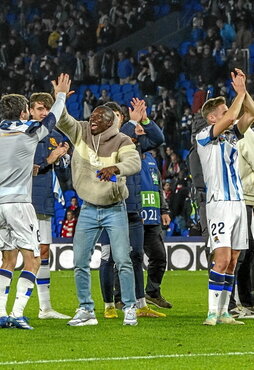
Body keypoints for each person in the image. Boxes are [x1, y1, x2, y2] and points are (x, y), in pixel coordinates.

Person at [56, 104, 141, 326]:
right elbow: (61, 118)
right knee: (80, 262)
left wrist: (115, 168)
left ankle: (130, 307)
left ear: (110, 121)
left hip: (114, 207)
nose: (92, 119)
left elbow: (134, 162)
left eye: (99, 117)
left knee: (123, 260)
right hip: (87, 208)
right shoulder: (81, 131)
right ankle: (86, 309)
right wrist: (61, 97)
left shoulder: (122, 140)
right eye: (92, 115)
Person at [0, 73, 70, 330]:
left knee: (7, 261)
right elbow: (51, 121)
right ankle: (18, 314)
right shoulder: (28, 131)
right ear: (23, 113)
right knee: (33, 260)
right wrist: (60, 94)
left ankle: (1, 313)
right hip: (19, 204)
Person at [196, 68, 254, 326]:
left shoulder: (231, 137)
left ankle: (224, 312)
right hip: (219, 204)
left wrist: (245, 92)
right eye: (221, 111)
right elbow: (232, 115)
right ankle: (211, 312)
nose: (228, 113)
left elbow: (250, 113)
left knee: (233, 260)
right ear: (212, 118)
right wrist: (238, 94)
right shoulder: (203, 138)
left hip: (239, 203)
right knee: (221, 259)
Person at [99, 100, 166, 319]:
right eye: (116, 116)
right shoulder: (100, 140)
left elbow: (158, 139)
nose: (120, 119)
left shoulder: (133, 143)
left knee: (136, 255)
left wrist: (145, 119)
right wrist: (133, 123)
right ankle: (109, 304)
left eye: (121, 115)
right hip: (110, 207)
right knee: (109, 259)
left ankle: (140, 303)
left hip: (133, 208)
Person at [30, 92, 71, 320]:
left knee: (44, 251)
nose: (44, 113)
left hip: (45, 199)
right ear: (30, 110)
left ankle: (45, 307)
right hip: (24, 199)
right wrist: (50, 158)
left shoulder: (55, 134)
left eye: (47, 109)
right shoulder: (25, 134)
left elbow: (62, 170)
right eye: (39, 109)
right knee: (11, 253)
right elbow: (28, 167)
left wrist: (63, 158)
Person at [140, 151, 172, 308]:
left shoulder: (152, 159)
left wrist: (164, 210)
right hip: (134, 217)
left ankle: (152, 292)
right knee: (131, 258)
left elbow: (158, 187)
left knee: (159, 257)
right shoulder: (125, 153)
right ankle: (121, 296)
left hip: (152, 217)